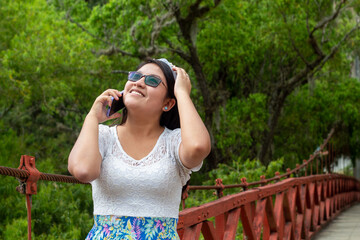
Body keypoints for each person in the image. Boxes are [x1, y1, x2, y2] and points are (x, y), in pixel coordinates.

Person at [68, 58, 211, 240]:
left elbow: (198, 147)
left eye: (152, 81)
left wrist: (182, 93)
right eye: (136, 76)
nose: (139, 82)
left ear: (168, 103)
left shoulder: (174, 143)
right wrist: (91, 118)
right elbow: (83, 170)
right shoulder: (102, 136)